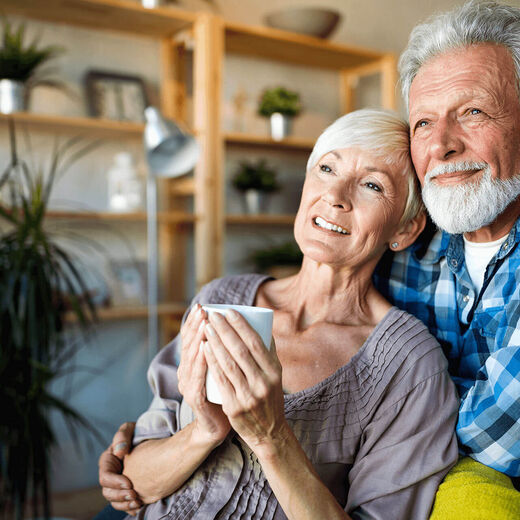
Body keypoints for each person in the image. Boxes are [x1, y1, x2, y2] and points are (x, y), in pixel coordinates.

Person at [97, 109, 459, 519]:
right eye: (326, 169)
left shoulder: (411, 366)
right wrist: (204, 431)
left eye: (372, 185)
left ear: (404, 229)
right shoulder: (221, 297)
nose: (335, 195)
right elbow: (135, 484)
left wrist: (272, 437)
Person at [373, 0, 520, 515]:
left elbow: (503, 434)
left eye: (473, 112)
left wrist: (371, 415)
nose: (442, 145)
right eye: (423, 124)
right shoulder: (401, 241)